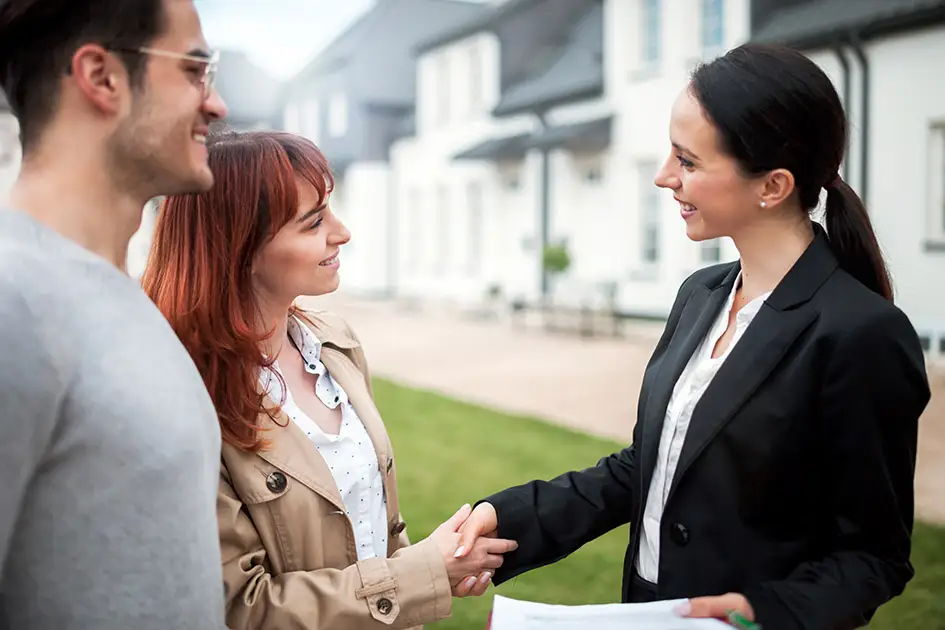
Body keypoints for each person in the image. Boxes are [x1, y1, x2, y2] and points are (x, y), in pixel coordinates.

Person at [454, 43, 930, 630]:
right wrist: (510, 520)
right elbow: (650, 467)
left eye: (688, 160)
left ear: (773, 185)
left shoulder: (861, 336)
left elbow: (872, 557)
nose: (663, 177)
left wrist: (760, 615)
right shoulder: (700, 295)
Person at [141, 130, 516, 630]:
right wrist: (424, 573)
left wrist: (436, 569)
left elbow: (380, 531)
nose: (342, 232)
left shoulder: (335, 346)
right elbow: (240, 609)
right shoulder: (186, 397)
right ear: (242, 247)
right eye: (314, 221)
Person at [0, 0, 229, 628]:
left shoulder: (118, 293)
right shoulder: (14, 298)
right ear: (102, 77)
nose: (216, 104)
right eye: (193, 70)